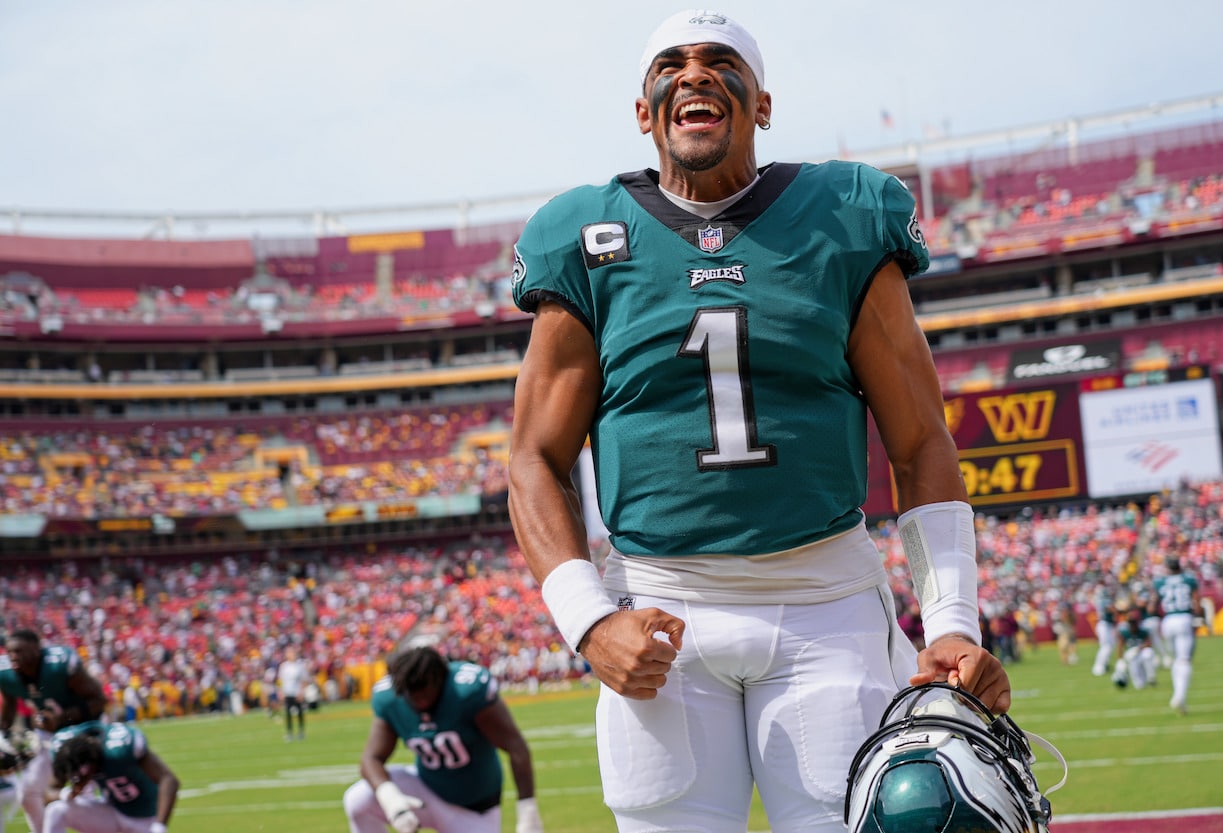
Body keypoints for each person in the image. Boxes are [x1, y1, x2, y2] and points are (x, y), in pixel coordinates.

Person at [506, 9, 1010, 831]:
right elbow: (533, 455)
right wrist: (588, 620)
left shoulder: (842, 212)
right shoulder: (584, 233)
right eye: (671, 64)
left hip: (826, 604)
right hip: (658, 607)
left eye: (720, 62)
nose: (695, 74)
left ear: (762, 105)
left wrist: (951, 620)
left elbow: (920, 439)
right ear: (644, 111)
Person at [342, 644, 544, 833]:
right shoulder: (390, 697)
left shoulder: (466, 691)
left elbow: (516, 746)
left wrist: (528, 810)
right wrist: (391, 800)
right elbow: (371, 758)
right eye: (411, 692)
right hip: (427, 789)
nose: (418, 699)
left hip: (474, 808)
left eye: (424, 691)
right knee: (358, 800)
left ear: (441, 679)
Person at [0, 629, 108, 833]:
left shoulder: (60, 664)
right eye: (10, 652)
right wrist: (4, 738)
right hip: (49, 735)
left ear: (36, 650)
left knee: (82, 795)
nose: (13, 656)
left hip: (84, 731)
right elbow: (9, 707)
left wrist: (63, 716)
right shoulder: (6, 673)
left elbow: (99, 701)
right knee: (29, 794)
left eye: (19, 651)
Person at [44, 720, 180, 833]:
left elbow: (168, 780)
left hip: (145, 819)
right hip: (111, 813)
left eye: (80, 776)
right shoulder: (69, 752)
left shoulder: (119, 750)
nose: (79, 781)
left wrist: (159, 827)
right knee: (56, 810)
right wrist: (67, 794)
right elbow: (49, 793)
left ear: (91, 762)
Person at [1154, 556, 1201, 714]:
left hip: (1168, 620)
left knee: (1176, 660)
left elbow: (1152, 606)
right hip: (1184, 618)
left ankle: (1177, 694)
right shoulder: (1188, 579)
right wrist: (1199, 618)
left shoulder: (1160, 582)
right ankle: (1179, 695)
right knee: (1184, 660)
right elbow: (1197, 602)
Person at [276, 645, 311, 741]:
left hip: (297, 692)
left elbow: (304, 680)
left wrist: (301, 692)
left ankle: (301, 731)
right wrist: (280, 691)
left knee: (300, 713)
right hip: (287, 692)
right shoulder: (284, 666)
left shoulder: (300, 665)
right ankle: (289, 733)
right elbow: (280, 680)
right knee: (288, 713)